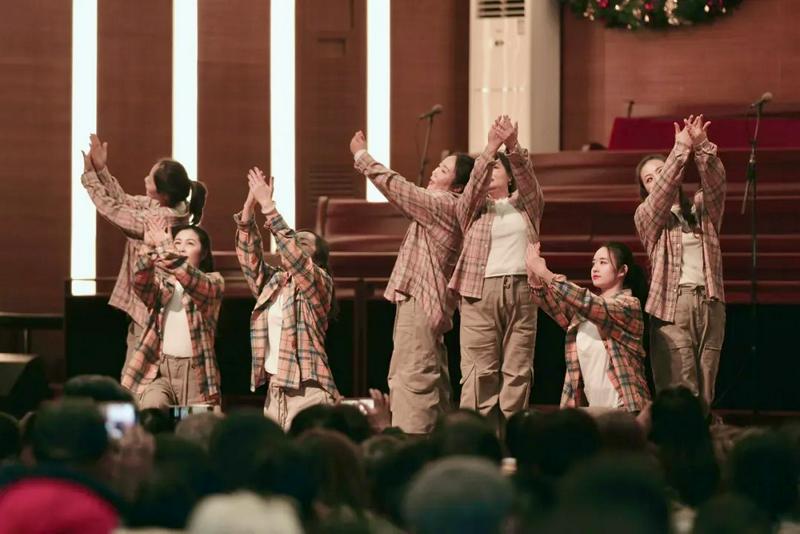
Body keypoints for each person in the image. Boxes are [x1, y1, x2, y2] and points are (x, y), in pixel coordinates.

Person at [348, 119, 506, 434]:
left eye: (444, 170)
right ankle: (437, 442)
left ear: (458, 187)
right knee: (428, 377)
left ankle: (412, 443)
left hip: (422, 304)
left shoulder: (444, 204)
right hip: (427, 306)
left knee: (413, 378)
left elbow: (399, 189)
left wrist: (362, 156)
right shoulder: (448, 205)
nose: (435, 171)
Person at [448, 116, 544, 433]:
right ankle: (477, 442)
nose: (489, 173)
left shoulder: (527, 205)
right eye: (486, 169)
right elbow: (473, 187)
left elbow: (528, 178)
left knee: (518, 371)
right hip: (480, 292)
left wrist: (512, 145)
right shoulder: (471, 208)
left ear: (509, 175)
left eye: (496, 168)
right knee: (479, 373)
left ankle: (514, 442)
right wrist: (490, 148)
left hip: (523, 291)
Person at [81, 134, 208, 367]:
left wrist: (90, 176)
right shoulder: (175, 206)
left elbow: (112, 209)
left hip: (149, 310)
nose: (145, 178)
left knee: (136, 375)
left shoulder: (157, 220)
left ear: (163, 193)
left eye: (150, 178)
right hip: (151, 307)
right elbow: (124, 200)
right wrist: (101, 170)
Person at [634, 115, 727, 409]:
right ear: (645, 189)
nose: (658, 180)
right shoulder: (646, 215)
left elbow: (716, 185)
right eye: (650, 179)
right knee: (681, 389)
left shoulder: (700, 210)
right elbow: (661, 195)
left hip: (710, 302)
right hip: (672, 306)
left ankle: (702, 437)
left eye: (661, 171)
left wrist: (701, 146)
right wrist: (679, 151)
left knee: (706, 392)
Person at [235, 168, 338, 430]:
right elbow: (249, 259)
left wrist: (269, 206)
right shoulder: (275, 282)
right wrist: (249, 209)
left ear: (317, 257)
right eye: (295, 240)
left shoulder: (319, 281)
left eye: (304, 242)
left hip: (309, 391)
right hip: (276, 389)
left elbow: (295, 258)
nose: (295, 244)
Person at [525, 242, 650, 413]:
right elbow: (554, 304)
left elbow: (587, 302)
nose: (595, 268)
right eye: (593, 263)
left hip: (624, 409)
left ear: (622, 270)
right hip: (593, 409)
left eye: (603, 262)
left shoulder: (628, 305)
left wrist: (545, 273)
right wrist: (534, 277)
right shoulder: (583, 314)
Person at [123, 218, 224, 408]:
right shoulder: (163, 284)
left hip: (196, 373)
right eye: (177, 242)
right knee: (152, 410)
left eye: (190, 243)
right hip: (160, 370)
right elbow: (140, 283)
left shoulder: (213, 282)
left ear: (203, 253)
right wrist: (149, 249)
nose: (181, 248)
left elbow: (190, 277)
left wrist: (165, 247)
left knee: (194, 424)